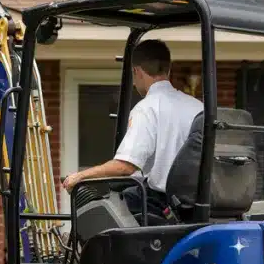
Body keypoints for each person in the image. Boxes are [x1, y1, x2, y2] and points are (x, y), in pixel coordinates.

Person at [62, 39, 203, 217]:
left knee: (106, 212)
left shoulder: (148, 108)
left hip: (162, 207)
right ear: (168, 69)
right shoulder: (198, 107)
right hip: (196, 207)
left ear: (136, 72)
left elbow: (125, 166)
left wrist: (80, 177)